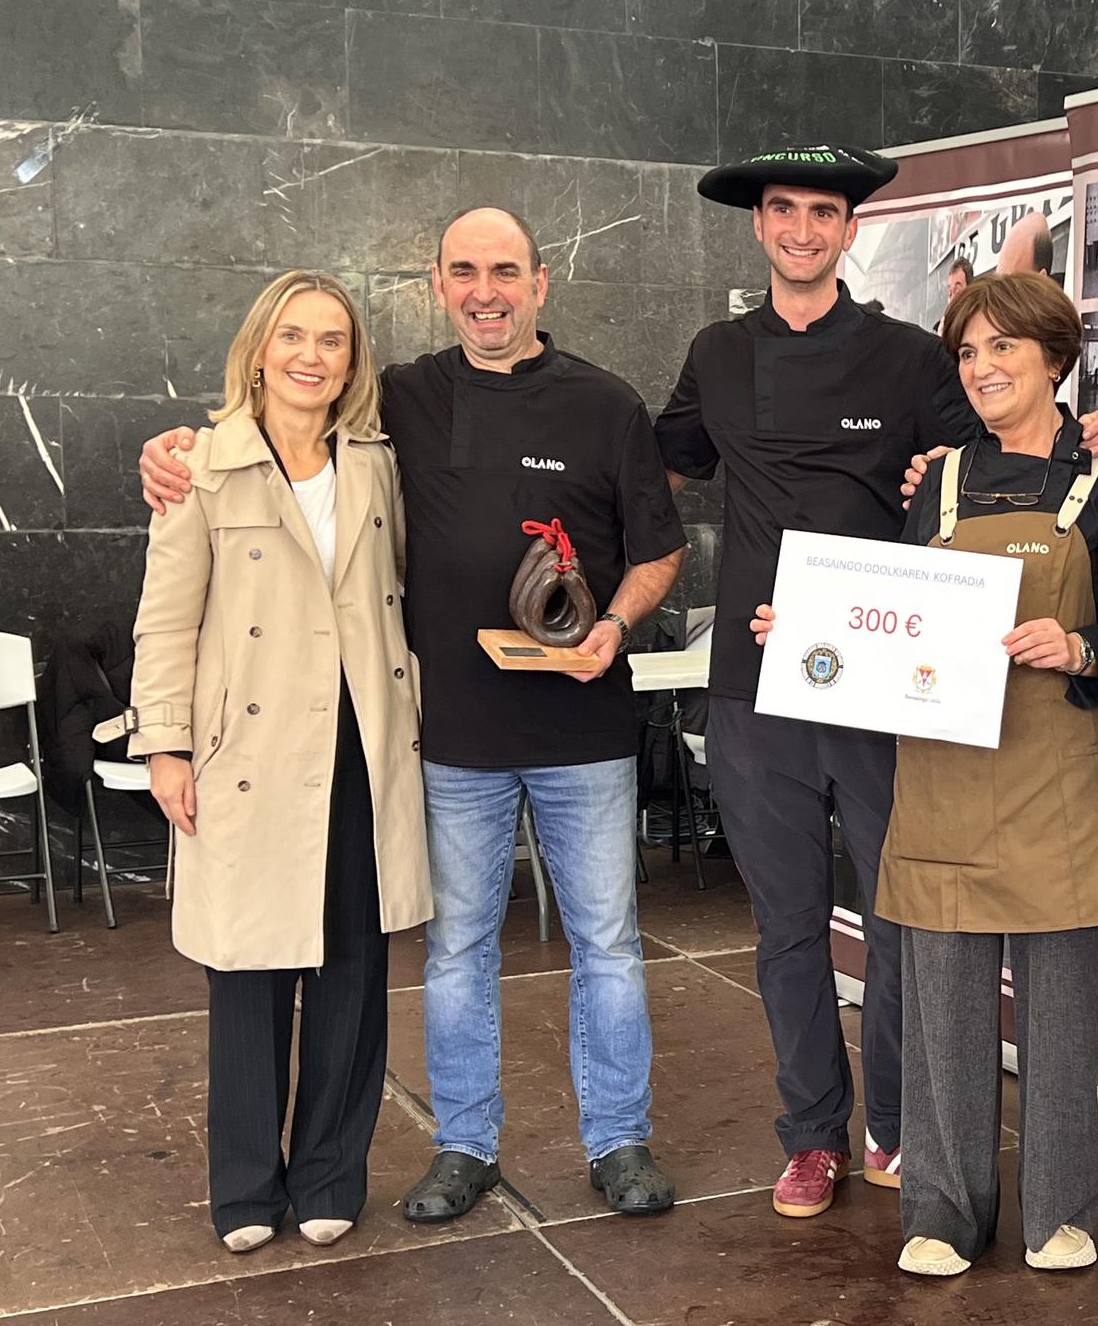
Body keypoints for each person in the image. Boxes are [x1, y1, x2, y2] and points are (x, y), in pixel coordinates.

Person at [136, 208, 687, 1226]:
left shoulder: (605, 404)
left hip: (583, 733)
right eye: (465, 271)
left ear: (542, 282)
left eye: (507, 271)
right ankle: (464, 1145)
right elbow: (263, 435)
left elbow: (660, 548)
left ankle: (618, 1141)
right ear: (436, 282)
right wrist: (178, 450)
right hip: (450, 739)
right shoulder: (402, 402)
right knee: (456, 949)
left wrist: (611, 624)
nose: (488, 291)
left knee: (606, 943)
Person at [656, 144, 1098, 1219]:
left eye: (822, 213)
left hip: (886, 681)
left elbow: (1014, 454)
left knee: (902, 917)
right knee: (784, 924)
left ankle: (899, 1126)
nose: (801, 230)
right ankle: (811, 1136)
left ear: (848, 230)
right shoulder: (717, 354)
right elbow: (658, 463)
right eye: (782, 211)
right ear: (759, 226)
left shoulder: (912, 358)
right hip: (754, 672)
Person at [751, 272, 1098, 1275]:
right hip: (945, 779)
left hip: (1054, 776)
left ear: (1055, 356)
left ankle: (1060, 1210)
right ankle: (939, 1210)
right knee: (943, 1011)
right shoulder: (937, 484)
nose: (983, 370)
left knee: (1059, 1016)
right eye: (966, 353)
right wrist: (808, 638)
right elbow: (894, 618)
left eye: (1003, 348)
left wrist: (1081, 646)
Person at [109, 271, 431, 1254]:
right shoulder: (203, 464)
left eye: (331, 340)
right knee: (246, 972)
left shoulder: (375, 462)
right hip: (247, 752)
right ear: (259, 349)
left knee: (351, 966)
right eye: (292, 336)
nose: (310, 356)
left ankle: (331, 1171)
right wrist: (163, 744)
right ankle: (245, 1185)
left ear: (351, 361)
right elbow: (164, 623)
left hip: (359, 744)